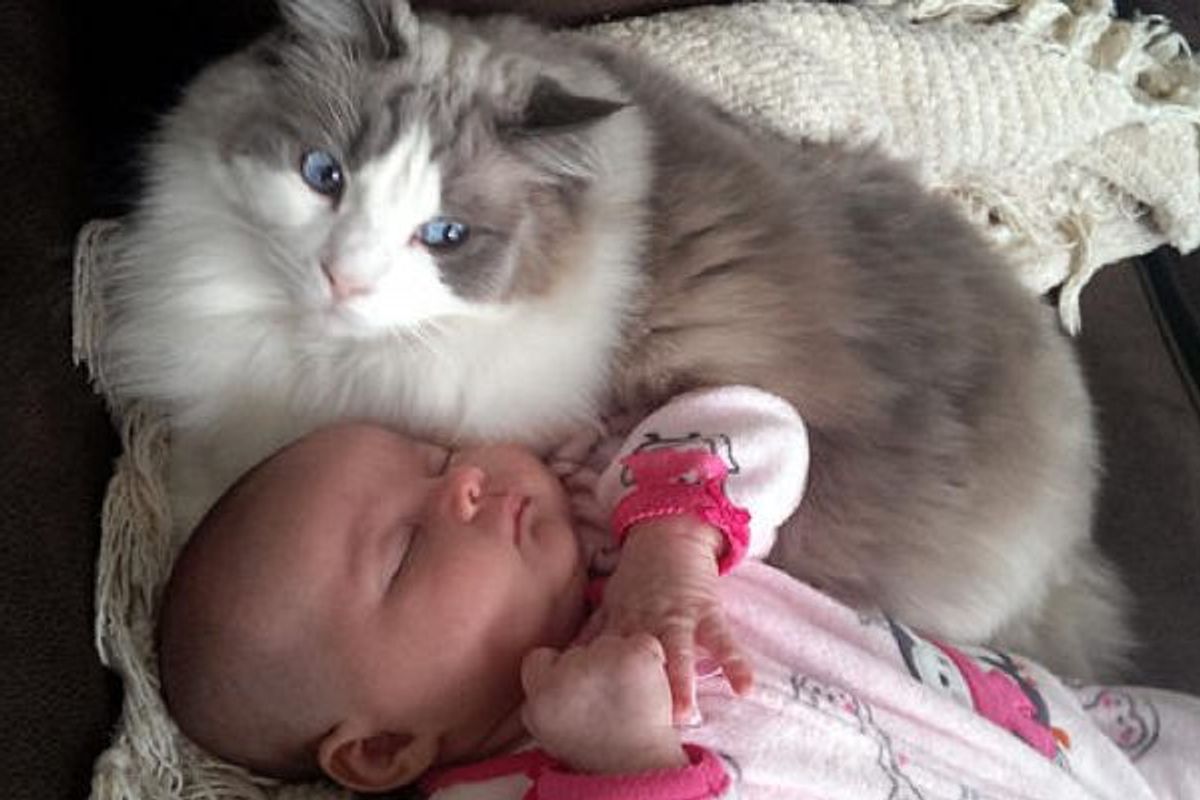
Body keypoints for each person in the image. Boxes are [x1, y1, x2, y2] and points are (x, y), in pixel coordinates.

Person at [157, 387, 1200, 799]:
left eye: (434, 456)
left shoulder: (614, 526)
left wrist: (673, 541)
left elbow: (758, 427)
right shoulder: (499, 790)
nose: (465, 483)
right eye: (405, 551)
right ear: (385, 748)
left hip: (1062, 732)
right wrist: (624, 762)